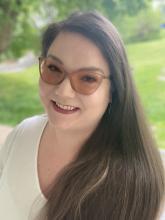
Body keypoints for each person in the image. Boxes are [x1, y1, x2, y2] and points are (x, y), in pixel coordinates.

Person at [0, 11, 164, 220]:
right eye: (53, 68)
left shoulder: (142, 187)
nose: (62, 91)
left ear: (114, 90)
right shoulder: (21, 134)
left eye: (87, 78)